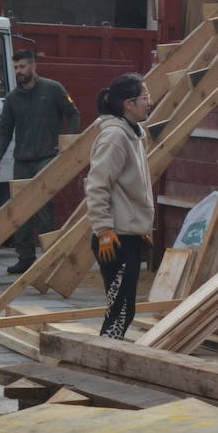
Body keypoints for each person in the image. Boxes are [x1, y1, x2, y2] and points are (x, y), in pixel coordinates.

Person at [0, 50, 81, 274]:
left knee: (43, 209)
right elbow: (4, 132)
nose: (18, 72)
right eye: (15, 68)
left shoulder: (53, 89)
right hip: (22, 160)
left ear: (32, 67)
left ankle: (47, 259)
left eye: (21, 67)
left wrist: (67, 145)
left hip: (47, 157)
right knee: (20, 210)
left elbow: (74, 114)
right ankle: (25, 258)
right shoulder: (12, 98)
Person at [84, 74, 153, 339]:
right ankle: (102, 364)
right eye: (145, 98)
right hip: (114, 240)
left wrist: (139, 226)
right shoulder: (115, 137)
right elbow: (97, 185)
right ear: (128, 104)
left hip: (127, 236)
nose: (150, 103)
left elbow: (130, 189)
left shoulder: (132, 134)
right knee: (119, 313)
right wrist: (104, 230)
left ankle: (107, 360)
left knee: (124, 310)